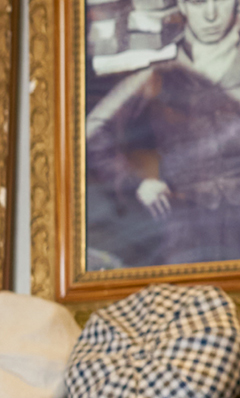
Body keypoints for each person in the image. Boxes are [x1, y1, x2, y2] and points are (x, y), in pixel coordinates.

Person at [86, 0, 240, 265]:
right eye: (198, 2)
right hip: (185, 227)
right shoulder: (158, 72)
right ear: (182, 5)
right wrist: (137, 182)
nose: (211, 15)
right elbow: (90, 133)